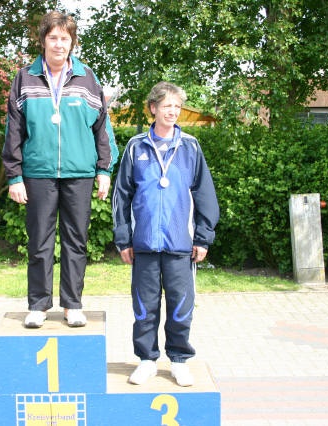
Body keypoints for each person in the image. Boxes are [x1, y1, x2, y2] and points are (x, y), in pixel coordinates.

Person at [2, 11, 118, 329]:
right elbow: (13, 131)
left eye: (64, 38)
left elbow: (102, 128)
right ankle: (38, 305)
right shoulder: (24, 78)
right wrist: (14, 175)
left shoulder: (87, 78)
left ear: (72, 43)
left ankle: (72, 305)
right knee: (39, 242)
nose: (58, 44)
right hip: (38, 173)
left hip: (79, 173)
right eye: (53, 37)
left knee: (75, 241)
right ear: (43, 41)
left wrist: (104, 170)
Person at [112, 82, 219, 387]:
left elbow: (204, 194)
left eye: (177, 106)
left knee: (181, 305)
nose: (173, 111)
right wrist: (123, 238)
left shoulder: (190, 147)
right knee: (144, 306)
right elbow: (122, 196)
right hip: (144, 243)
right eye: (167, 105)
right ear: (153, 108)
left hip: (180, 243)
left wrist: (203, 237)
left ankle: (180, 360)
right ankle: (147, 360)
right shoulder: (136, 147)